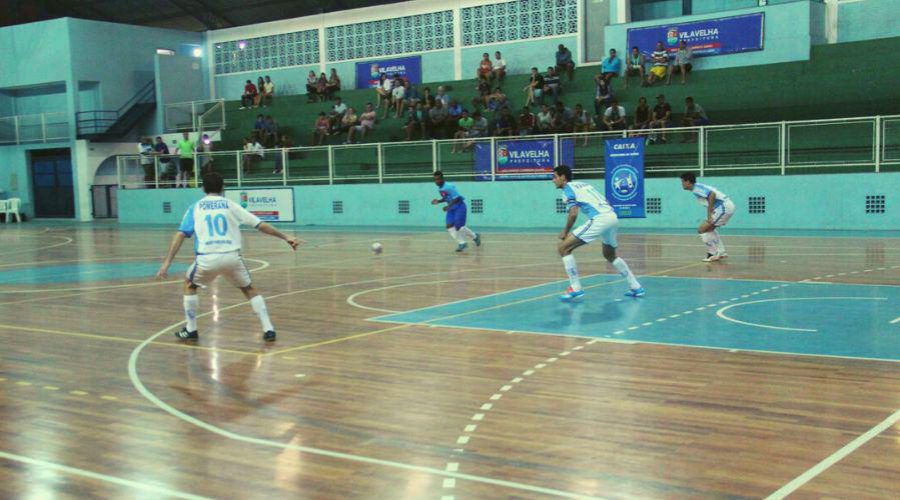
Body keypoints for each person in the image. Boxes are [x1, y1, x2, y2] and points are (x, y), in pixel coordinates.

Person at [155, 172, 300, 342]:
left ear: (202, 188)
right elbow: (260, 225)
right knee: (248, 289)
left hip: (206, 259)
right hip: (232, 257)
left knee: (189, 285)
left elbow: (181, 235)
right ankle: (268, 329)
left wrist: (166, 263)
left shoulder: (195, 207)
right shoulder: (230, 205)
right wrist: (286, 237)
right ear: (223, 188)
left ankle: (191, 329)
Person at [553, 165, 644, 301]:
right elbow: (605, 201)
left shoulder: (567, 190)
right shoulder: (583, 184)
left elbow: (573, 214)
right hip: (612, 217)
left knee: (563, 248)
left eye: (555, 177)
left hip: (600, 219)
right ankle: (636, 286)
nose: (553, 180)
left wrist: (565, 232)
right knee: (609, 255)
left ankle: (575, 287)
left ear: (563, 177)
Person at [680, 172, 735, 262]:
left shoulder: (696, 188)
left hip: (723, 207)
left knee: (702, 229)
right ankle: (720, 252)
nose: (682, 184)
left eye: (683, 182)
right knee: (709, 229)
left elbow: (712, 194)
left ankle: (713, 253)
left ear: (688, 182)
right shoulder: (696, 188)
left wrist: (709, 214)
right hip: (725, 207)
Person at [431, 170, 481, 252]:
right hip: (451, 209)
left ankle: (475, 236)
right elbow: (447, 197)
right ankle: (462, 243)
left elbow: (457, 197)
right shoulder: (440, 189)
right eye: (435, 180)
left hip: (459, 206)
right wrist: (439, 201)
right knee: (449, 226)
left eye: (438, 179)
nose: (437, 181)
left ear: (442, 178)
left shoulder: (448, 186)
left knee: (459, 227)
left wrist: (448, 206)